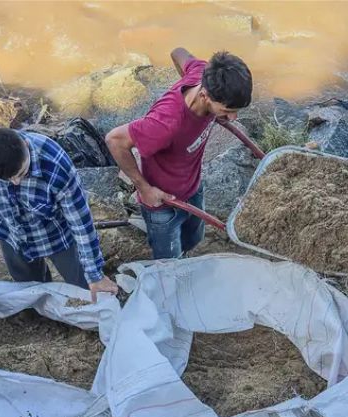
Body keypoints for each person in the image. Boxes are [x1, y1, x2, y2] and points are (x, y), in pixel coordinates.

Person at [105, 47, 252, 259]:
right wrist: (144, 188)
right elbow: (115, 140)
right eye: (228, 111)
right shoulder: (165, 124)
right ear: (205, 95)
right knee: (169, 261)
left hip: (193, 186)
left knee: (193, 239)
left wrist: (217, 113)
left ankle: (186, 253)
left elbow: (177, 52)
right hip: (164, 205)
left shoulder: (202, 71)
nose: (233, 118)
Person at [0, 128, 118, 302]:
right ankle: (40, 310)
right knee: (29, 290)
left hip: (55, 233)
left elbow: (81, 224)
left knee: (85, 287)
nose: (16, 182)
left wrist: (95, 276)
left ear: (25, 145)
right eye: (6, 179)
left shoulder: (55, 164)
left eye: (22, 173)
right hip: (9, 232)